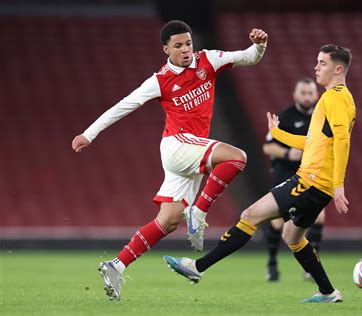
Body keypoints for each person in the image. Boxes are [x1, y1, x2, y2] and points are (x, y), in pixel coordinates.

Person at [71, 20, 268, 301]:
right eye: (178, 46)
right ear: (166, 49)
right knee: (238, 157)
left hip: (192, 149)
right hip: (177, 146)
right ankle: (199, 212)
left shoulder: (208, 60)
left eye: (188, 43)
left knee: (169, 220)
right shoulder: (160, 80)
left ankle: (116, 265)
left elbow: (249, 57)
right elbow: (123, 105)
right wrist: (89, 134)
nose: (186, 49)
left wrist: (259, 44)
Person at [164, 44, 356, 303]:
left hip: (311, 182)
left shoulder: (334, 97)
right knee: (292, 236)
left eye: (322, 63)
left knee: (250, 215)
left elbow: (342, 139)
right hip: (316, 186)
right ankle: (328, 292)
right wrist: (278, 134)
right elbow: (315, 141)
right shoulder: (338, 98)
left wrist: (339, 185)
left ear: (338, 69)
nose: (316, 67)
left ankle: (197, 267)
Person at [262, 77, 326, 282]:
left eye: (310, 93)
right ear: (295, 95)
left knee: (319, 217)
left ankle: (310, 267)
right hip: (285, 175)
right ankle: (272, 264)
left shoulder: (320, 117)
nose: (307, 97)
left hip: (311, 175)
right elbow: (268, 146)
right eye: (303, 93)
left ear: (316, 95)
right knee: (278, 223)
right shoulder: (286, 117)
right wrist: (289, 153)